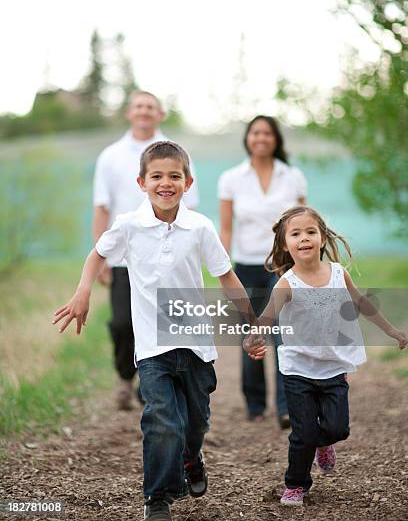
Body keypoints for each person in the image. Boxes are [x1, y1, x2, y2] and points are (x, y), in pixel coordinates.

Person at [53, 141, 256, 521]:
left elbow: (226, 276)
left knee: (195, 424)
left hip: (196, 346)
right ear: (141, 182)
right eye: (157, 176)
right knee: (162, 419)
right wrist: (83, 290)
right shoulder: (129, 225)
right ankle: (157, 498)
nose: (166, 183)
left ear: (188, 182)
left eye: (174, 176)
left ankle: (192, 458)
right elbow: (97, 253)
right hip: (151, 347)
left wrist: (251, 323)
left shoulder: (199, 226)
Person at [244, 205, 408, 507]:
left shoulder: (337, 274)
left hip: (333, 367)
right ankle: (295, 485)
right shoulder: (286, 283)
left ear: (322, 237)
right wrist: (251, 339)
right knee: (303, 433)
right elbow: (266, 318)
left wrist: (393, 331)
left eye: (310, 231)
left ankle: (324, 445)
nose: (304, 238)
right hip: (297, 369)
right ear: (285, 244)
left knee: (337, 429)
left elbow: (362, 304)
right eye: (296, 234)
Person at [93, 91, 199, 410]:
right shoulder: (110, 156)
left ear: (160, 114)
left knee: (162, 323)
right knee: (124, 323)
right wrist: (100, 257)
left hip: (166, 255)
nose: (144, 112)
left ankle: (151, 386)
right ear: (129, 113)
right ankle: (126, 376)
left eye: (150, 107)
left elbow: (189, 206)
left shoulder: (178, 152)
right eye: (138, 106)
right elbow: (101, 207)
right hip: (123, 257)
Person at [218, 115, 307, 427]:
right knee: (253, 333)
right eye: (255, 132)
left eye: (267, 133)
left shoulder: (292, 176)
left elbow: (303, 225)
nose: (261, 138)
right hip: (245, 266)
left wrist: (306, 265)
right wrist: (223, 266)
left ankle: (286, 407)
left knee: (284, 334)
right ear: (247, 138)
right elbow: (226, 227)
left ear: (275, 139)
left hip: (283, 266)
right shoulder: (231, 178)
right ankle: (255, 404)